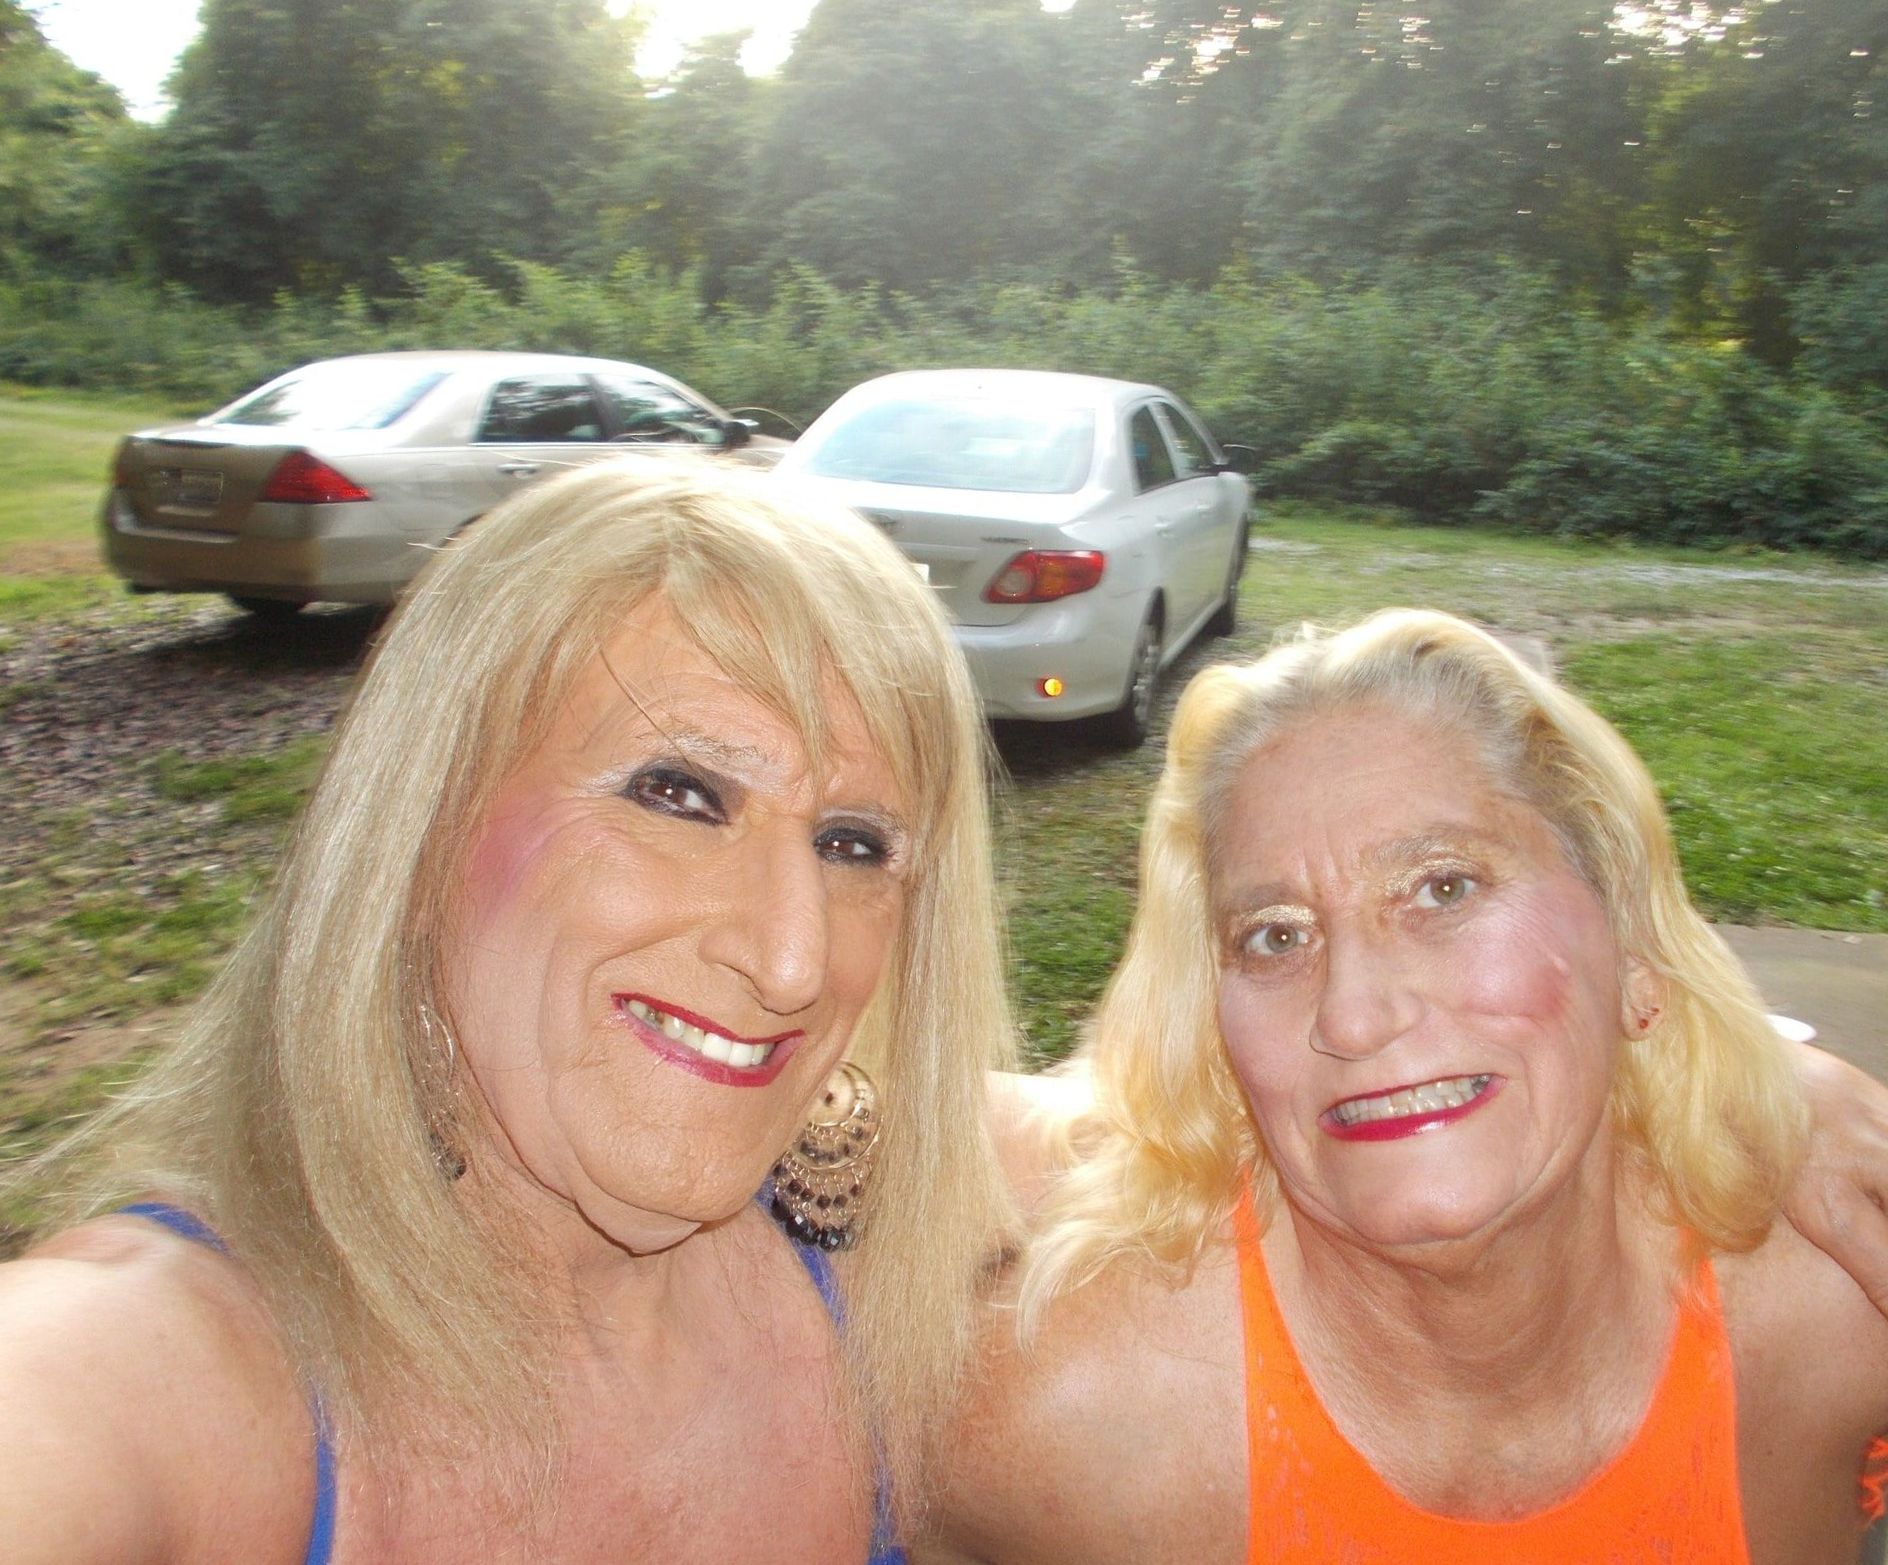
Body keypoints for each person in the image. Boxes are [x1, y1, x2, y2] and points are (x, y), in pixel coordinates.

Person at [0, 456, 1016, 1564]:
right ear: (421, 824)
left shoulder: (897, 1286)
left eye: (852, 844)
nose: (792, 961)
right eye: (678, 793)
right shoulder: (148, 1375)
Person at [933, 609, 1888, 1564]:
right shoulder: (1066, 1427)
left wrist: (1767, 1075)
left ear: (1631, 942)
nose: (1353, 1014)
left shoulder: (1840, 1305)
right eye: (1276, 935)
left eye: (1443, 888)